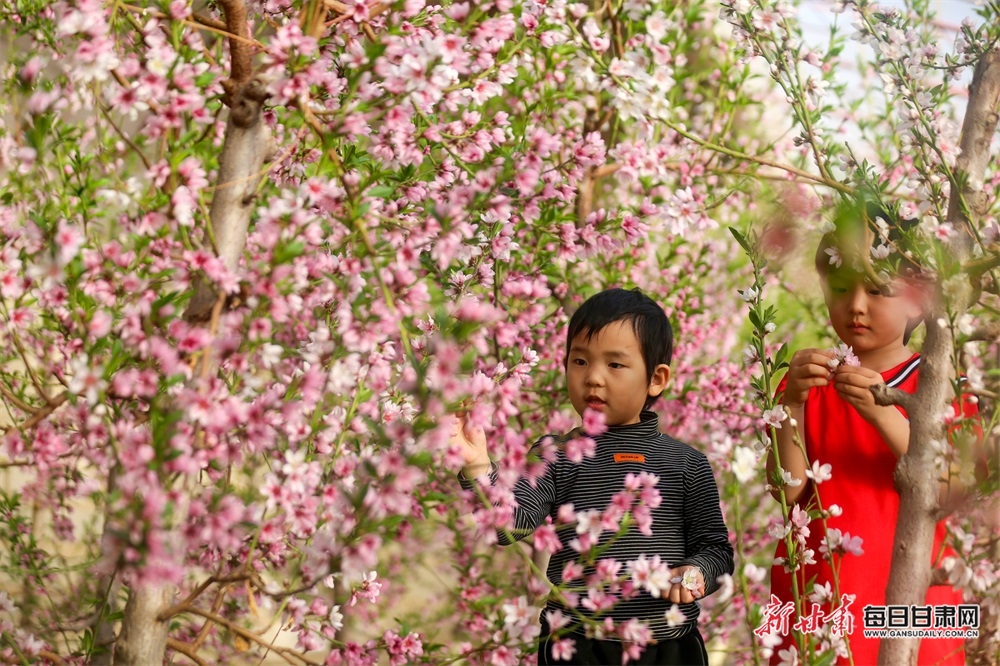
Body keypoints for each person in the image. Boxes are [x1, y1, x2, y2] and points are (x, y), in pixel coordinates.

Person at [454, 287, 734, 665]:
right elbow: (508, 526)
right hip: (576, 641)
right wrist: (476, 466)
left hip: (667, 645)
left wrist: (696, 573)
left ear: (656, 378)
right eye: (580, 361)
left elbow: (716, 550)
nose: (593, 378)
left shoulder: (686, 463)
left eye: (615, 365)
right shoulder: (556, 455)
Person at [766, 217, 974, 665]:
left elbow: (955, 489)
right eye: (840, 287)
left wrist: (884, 414)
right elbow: (787, 490)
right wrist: (793, 406)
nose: (856, 305)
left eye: (878, 290)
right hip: (823, 596)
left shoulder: (945, 387)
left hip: (917, 599)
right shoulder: (808, 385)